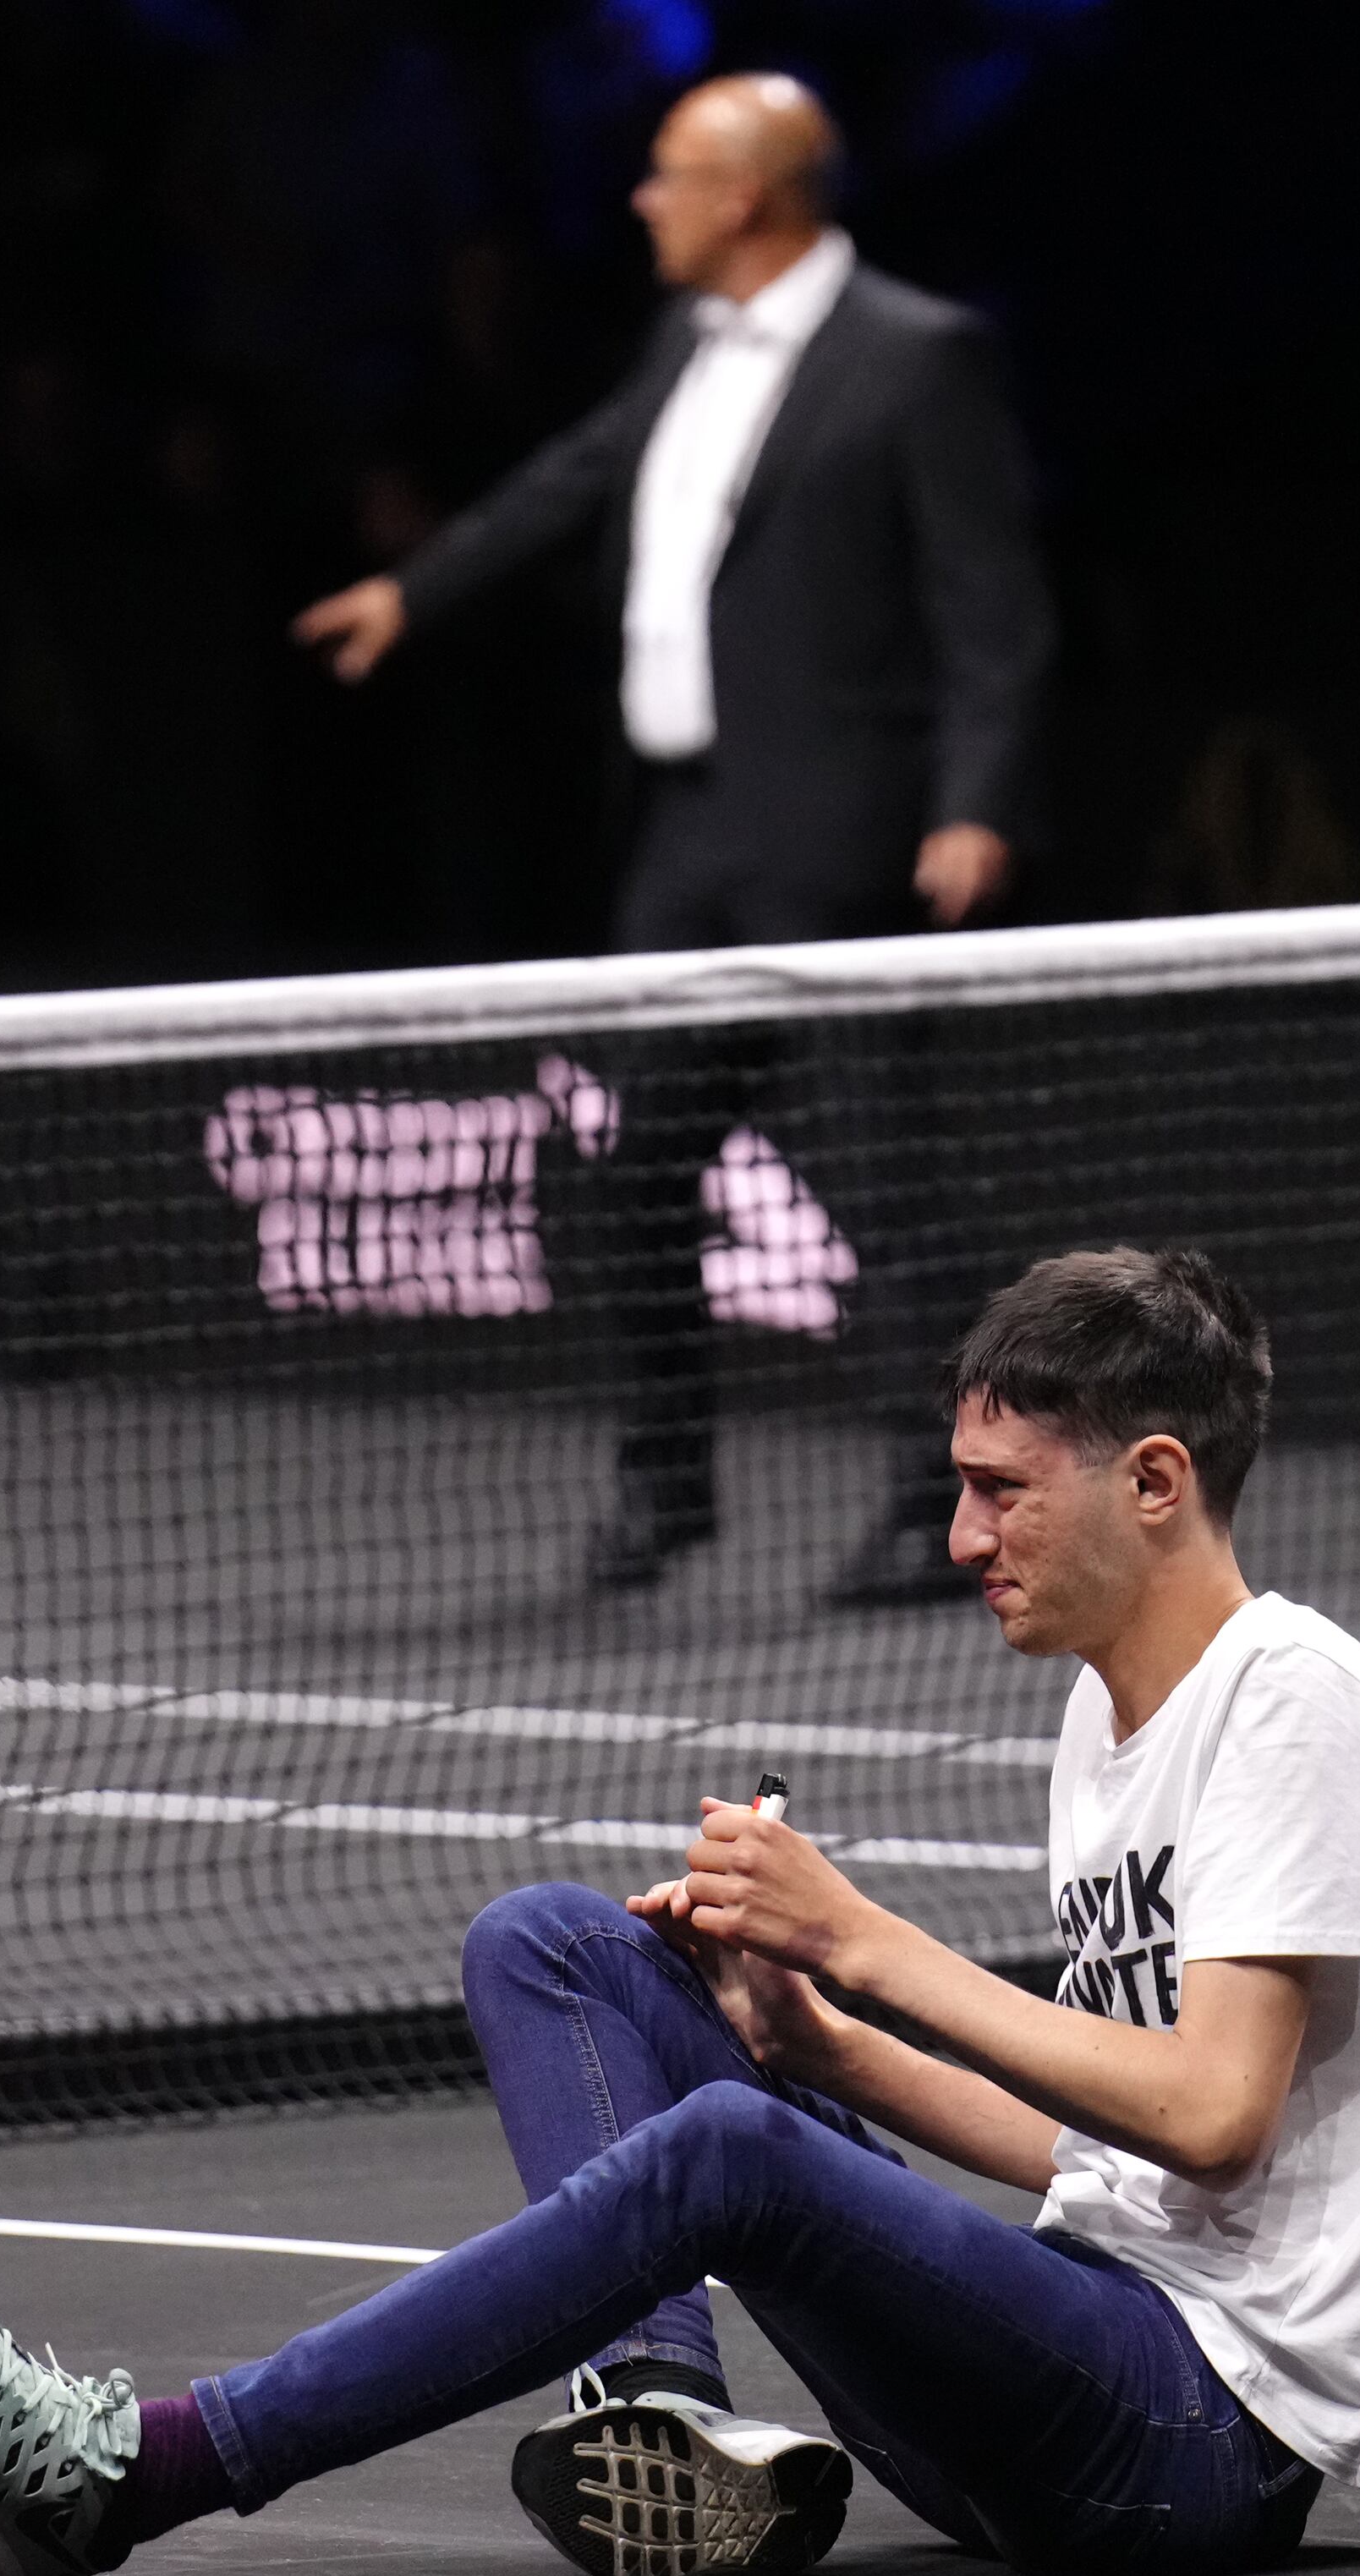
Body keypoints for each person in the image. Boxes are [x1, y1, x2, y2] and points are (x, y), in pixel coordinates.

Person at [0, 1247, 1360, 2576]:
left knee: (724, 2149)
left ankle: (123, 2476)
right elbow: (1097, 2159)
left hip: (1197, 2439)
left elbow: (1214, 2111)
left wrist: (855, 1939)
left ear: (1157, 1480)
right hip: (1072, 2372)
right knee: (555, 1943)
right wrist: (817, 2039)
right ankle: (667, 2416)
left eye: (1002, 1489)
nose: (964, 1537)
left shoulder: (1291, 1692)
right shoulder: (1102, 1713)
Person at [292, 72, 1053, 1603]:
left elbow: (996, 612)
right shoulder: (687, 348)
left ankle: (953, 1501)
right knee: (633, 1166)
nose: (641, 201)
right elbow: (575, 477)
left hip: (837, 839)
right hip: (686, 840)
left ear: (750, 198)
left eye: (667, 177)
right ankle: (665, 1485)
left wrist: (977, 801)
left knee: (882, 1183)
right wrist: (416, 590)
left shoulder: (915, 358)